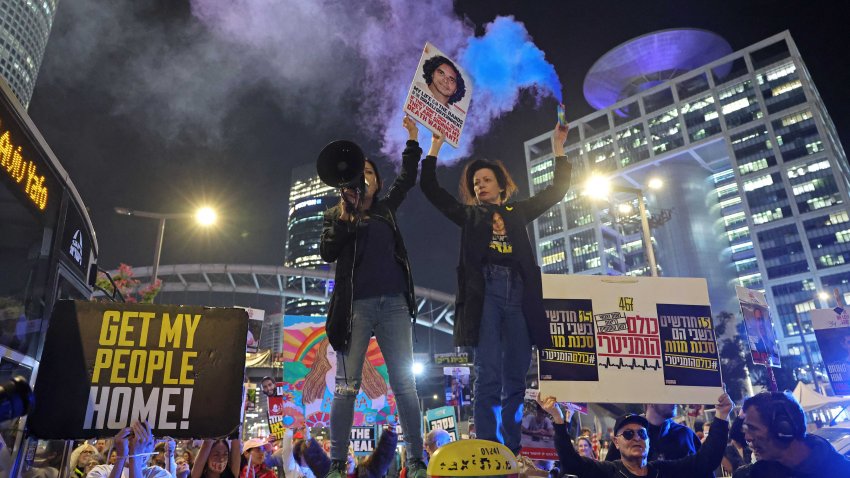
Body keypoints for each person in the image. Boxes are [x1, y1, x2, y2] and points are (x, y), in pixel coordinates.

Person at [419, 122, 572, 466]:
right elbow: (431, 189)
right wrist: (433, 148)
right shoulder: (470, 215)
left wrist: (558, 147)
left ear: (502, 185)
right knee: (486, 372)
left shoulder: (518, 212)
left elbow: (557, 189)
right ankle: (489, 448)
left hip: (519, 294)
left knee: (516, 374)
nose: (480, 185)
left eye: (486, 180)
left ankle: (514, 451)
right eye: (476, 183)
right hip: (484, 293)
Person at [319, 116, 426, 478]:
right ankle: (336, 463)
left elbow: (408, 178)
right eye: (357, 173)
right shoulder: (337, 215)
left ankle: (415, 461)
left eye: (369, 172)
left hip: (394, 304)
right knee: (346, 387)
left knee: (405, 385)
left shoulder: (385, 209)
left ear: (377, 181)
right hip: (356, 310)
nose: (363, 178)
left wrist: (412, 138)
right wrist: (347, 215)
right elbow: (327, 252)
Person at [537, 392, 733, 478]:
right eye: (628, 434)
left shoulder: (662, 471)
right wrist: (558, 419)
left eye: (642, 433)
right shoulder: (609, 471)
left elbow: (706, 461)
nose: (637, 437)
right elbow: (571, 462)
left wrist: (722, 416)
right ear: (616, 442)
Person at [733, 391, 850, 477]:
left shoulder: (842, 471)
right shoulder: (758, 472)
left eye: (753, 428)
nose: (747, 437)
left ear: (783, 429)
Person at [604, 403, 701, 462]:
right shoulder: (628, 436)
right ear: (650, 400)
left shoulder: (686, 434)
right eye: (666, 394)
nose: (674, 400)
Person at [87, 421, 170, 478]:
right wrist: (121, 457)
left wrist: (135, 455)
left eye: (147, 444)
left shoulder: (160, 474)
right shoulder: (100, 471)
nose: (143, 449)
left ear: (153, 446)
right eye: (134, 441)